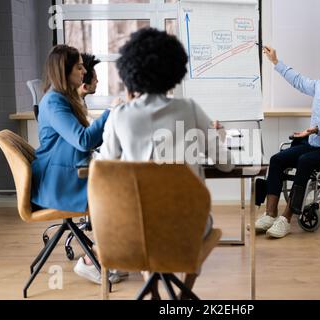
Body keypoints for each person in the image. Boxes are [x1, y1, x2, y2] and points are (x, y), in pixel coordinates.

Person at [96, 27, 234, 296]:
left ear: (129, 70)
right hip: (185, 231)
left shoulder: (119, 115)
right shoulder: (190, 109)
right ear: (174, 69)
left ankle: (155, 294)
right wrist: (218, 140)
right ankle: (182, 297)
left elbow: (103, 166)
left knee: (144, 222)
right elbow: (225, 163)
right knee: (195, 222)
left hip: (130, 230)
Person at [30, 45, 120, 284]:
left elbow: (87, 138)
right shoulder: (53, 102)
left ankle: (109, 257)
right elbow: (82, 140)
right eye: (79, 66)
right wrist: (111, 111)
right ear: (64, 70)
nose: (83, 71)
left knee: (120, 192)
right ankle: (92, 262)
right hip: (58, 182)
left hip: (65, 173)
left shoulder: (64, 99)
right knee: (120, 197)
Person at [254, 47, 320, 239]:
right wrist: (276, 62)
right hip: (312, 142)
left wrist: (319, 129)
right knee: (276, 159)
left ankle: (286, 219)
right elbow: (299, 81)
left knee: (304, 161)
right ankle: (270, 214)